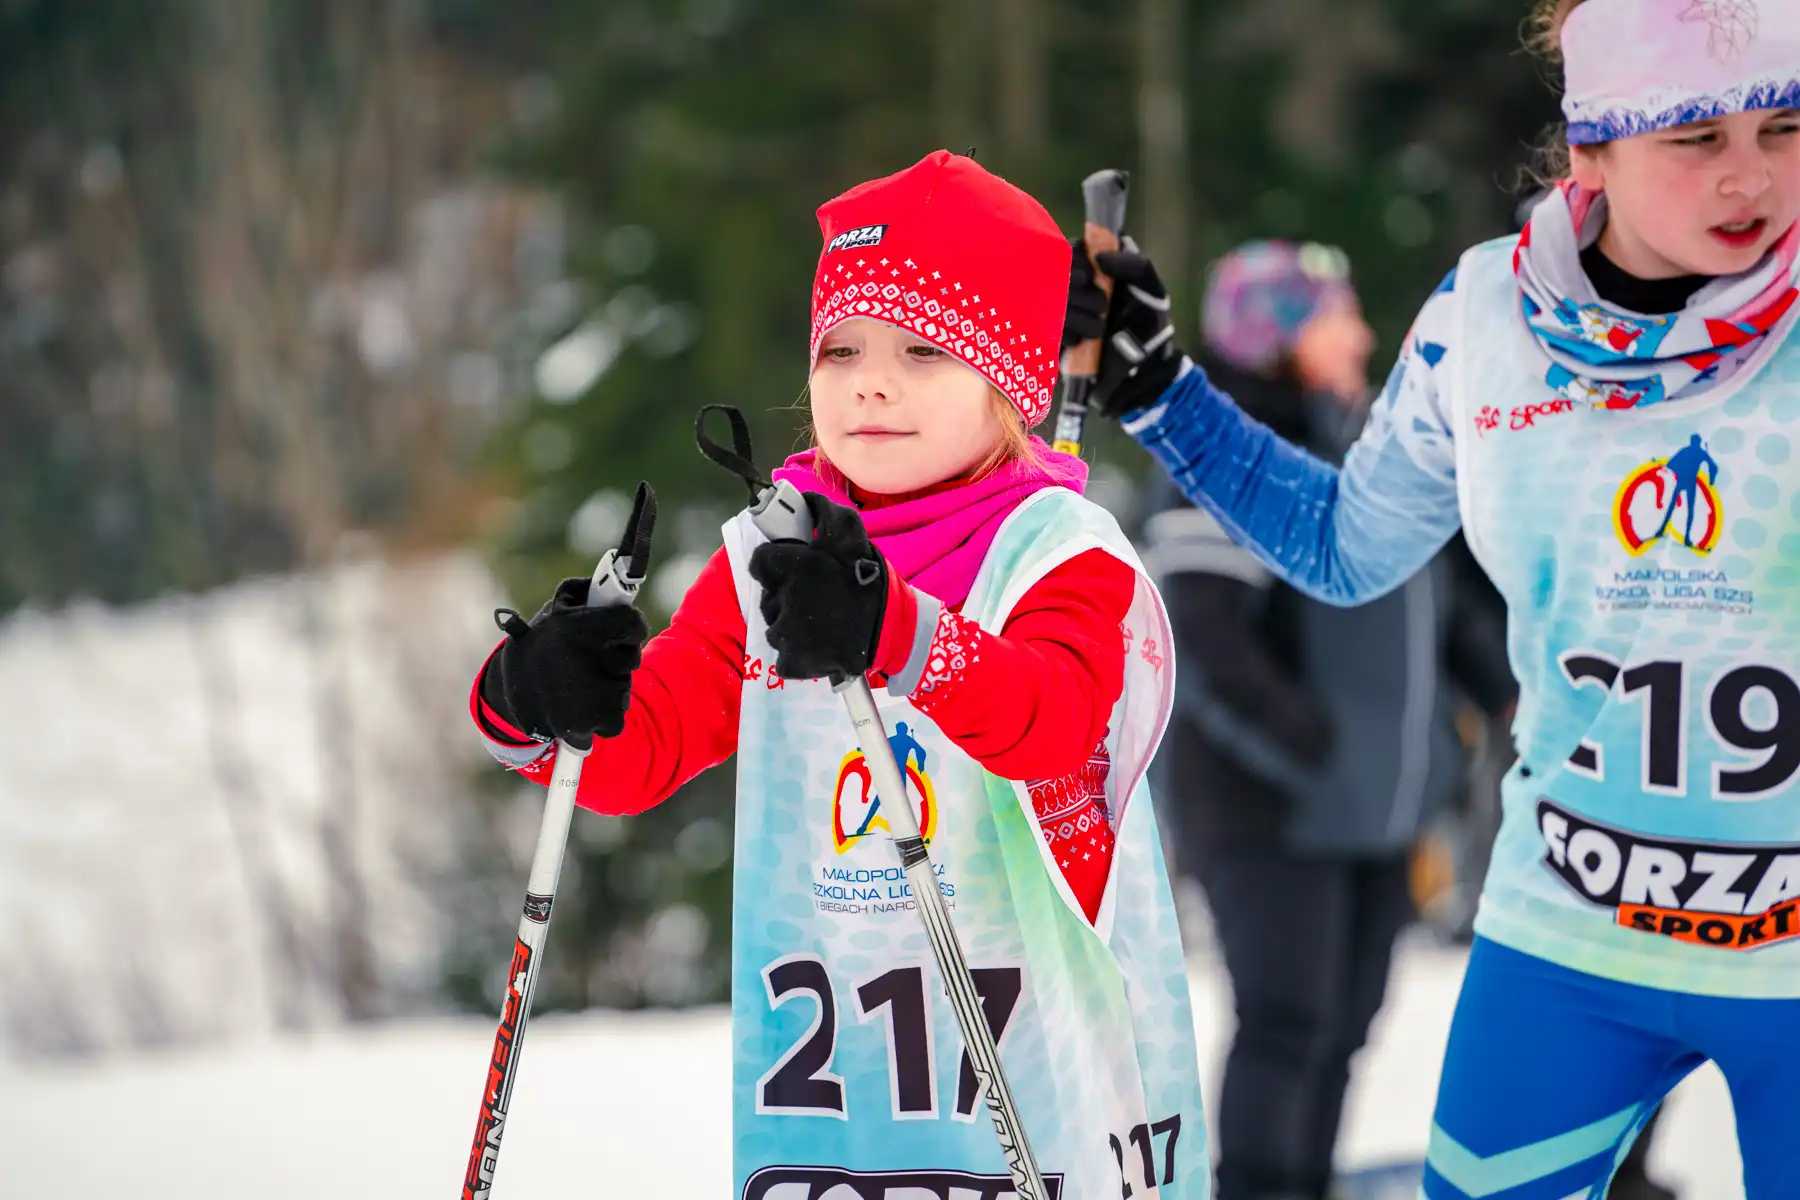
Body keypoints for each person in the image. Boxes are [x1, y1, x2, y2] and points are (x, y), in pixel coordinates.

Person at [1067, 0, 1800, 1195]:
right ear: (1594, 151)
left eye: (1783, 126)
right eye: (1697, 136)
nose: (1751, 174)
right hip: (1572, 940)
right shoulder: (1488, 321)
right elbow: (1348, 546)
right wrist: (1164, 393)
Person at [469, 151, 1209, 1198]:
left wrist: (895, 631)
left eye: (922, 349)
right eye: (842, 348)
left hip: (1043, 1100)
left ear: (1007, 382)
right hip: (842, 1109)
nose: (869, 379)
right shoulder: (766, 561)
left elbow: (1051, 721)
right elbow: (641, 752)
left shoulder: (1061, 552)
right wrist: (536, 700)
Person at [1124, 242, 1515, 1200]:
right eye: (1339, 314)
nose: (1364, 333)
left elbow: (1448, 609)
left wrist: (1513, 689)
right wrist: (1312, 750)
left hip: (1378, 806)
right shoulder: (1227, 456)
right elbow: (1205, 640)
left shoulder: (1372, 449)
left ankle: (1305, 1184)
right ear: (1283, 333)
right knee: (1288, 1019)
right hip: (1270, 811)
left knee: (1344, 1024)